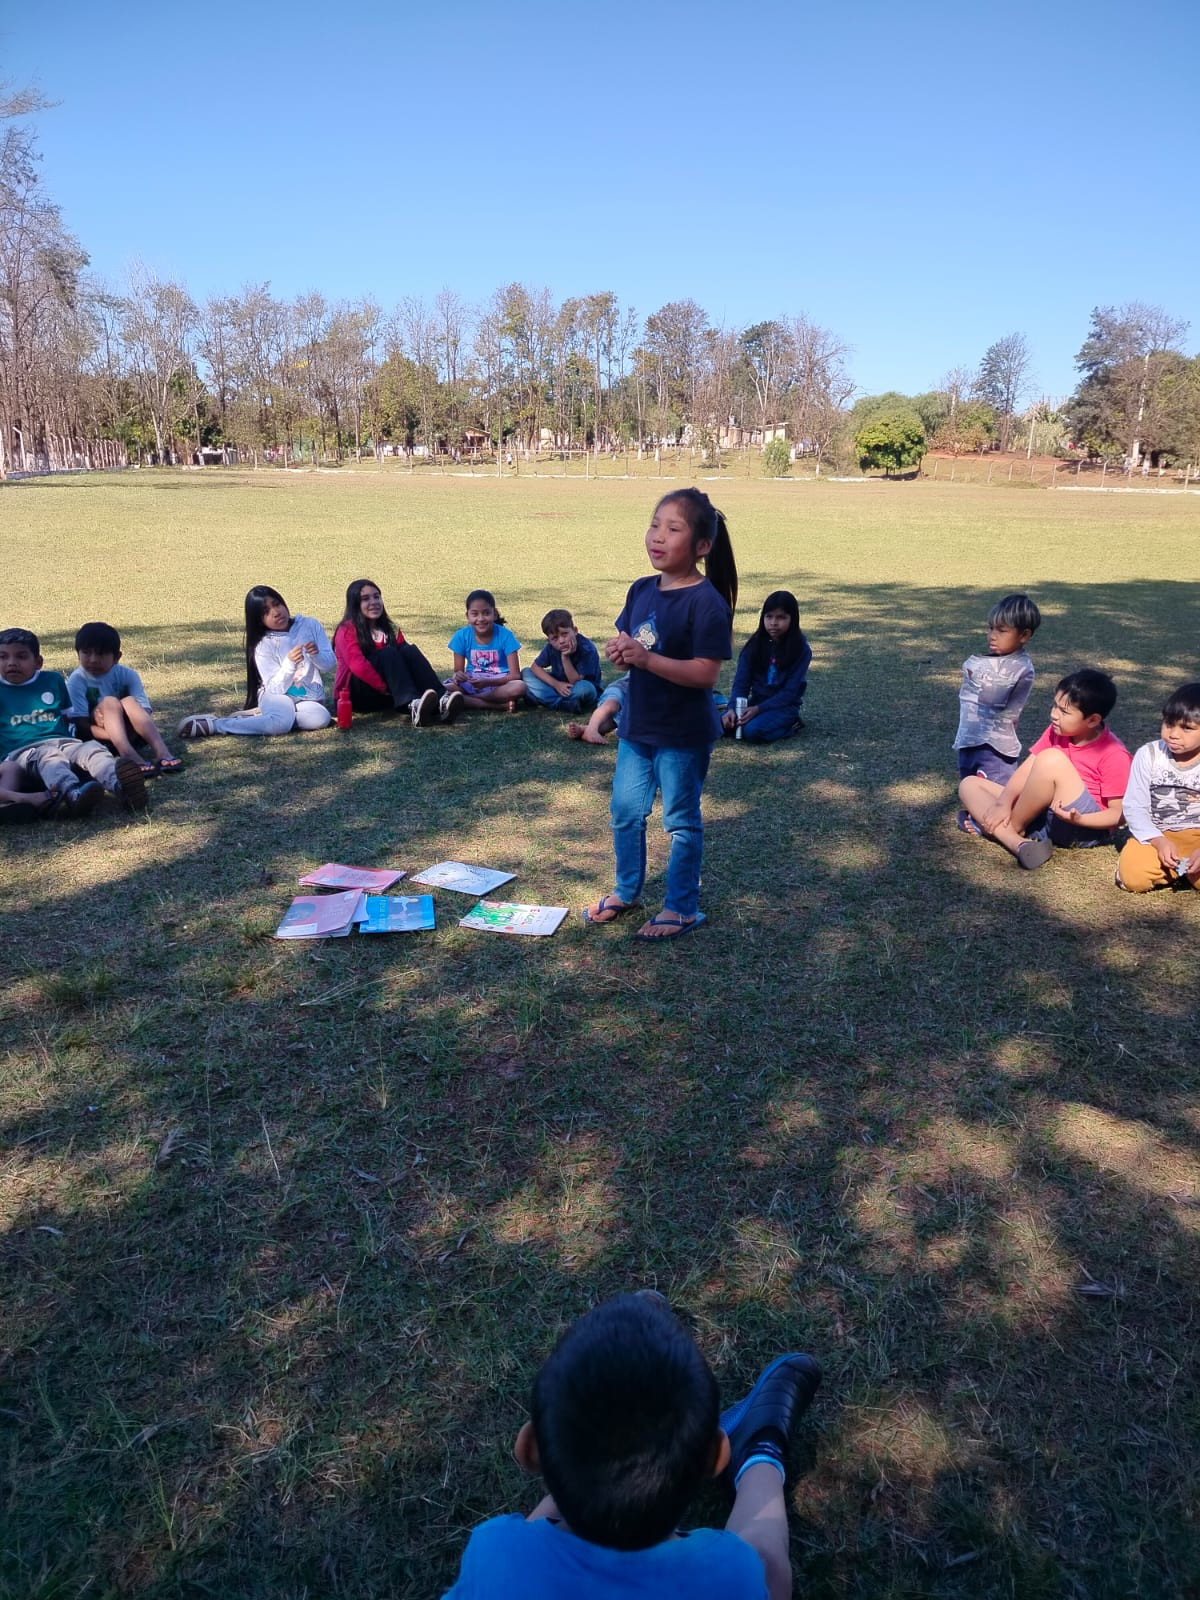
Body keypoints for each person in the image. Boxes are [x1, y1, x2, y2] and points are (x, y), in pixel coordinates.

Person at [440, 1290, 821, 1600]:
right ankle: (760, 1452)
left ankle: (579, 1475)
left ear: (529, 1450)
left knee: (529, 1550)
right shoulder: (730, 1575)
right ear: (713, 1457)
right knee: (766, 1565)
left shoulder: (494, 1553)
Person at [584, 488, 736, 940]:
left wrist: (646, 660)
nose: (658, 537)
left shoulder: (706, 602)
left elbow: (705, 674)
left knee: (681, 822)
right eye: (654, 524)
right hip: (638, 726)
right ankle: (627, 890)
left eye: (673, 529)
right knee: (625, 813)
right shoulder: (641, 589)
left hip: (683, 734)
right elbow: (631, 641)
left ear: (702, 546)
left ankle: (682, 907)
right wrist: (621, 651)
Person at [958, 668, 1131, 870]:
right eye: (1055, 706)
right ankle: (1019, 844)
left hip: (1082, 827)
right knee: (969, 784)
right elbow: (1027, 768)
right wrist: (1003, 803)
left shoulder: (1114, 754)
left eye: (1064, 711)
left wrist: (1081, 819)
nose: (1054, 715)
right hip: (1047, 814)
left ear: (1093, 720)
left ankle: (1003, 826)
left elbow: (1119, 815)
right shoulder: (1058, 731)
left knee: (1051, 759)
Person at [0, 627, 148, 815]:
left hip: (64, 742)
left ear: (38, 662)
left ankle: (123, 786)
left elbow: (66, 717)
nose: (11, 663)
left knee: (92, 749)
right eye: (3, 657)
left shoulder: (52, 680)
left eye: (21, 656)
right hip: (23, 753)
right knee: (49, 756)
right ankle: (72, 793)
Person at [178, 587, 337, 739]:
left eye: (276, 604)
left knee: (321, 718)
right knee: (281, 724)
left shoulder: (310, 625)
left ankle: (266, 718)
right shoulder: (263, 644)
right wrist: (289, 663)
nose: (276, 612)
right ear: (259, 620)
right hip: (275, 695)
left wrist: (315, 655)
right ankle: (217, 725)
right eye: (266, 612)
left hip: (306, 698)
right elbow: (275, 688)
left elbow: (329, 665)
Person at [953, 593, 1041, 833]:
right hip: (971, 736)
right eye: (991, 628)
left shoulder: (1020, 666)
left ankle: (996, 824)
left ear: (1024, 635)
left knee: (996, 788)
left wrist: (973, 672)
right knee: (969, 781)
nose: (992, 636)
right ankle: (977, 814)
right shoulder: (995, 660)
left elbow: (991, 696)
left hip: (996, 746)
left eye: (1002, 631)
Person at [333, 579, 463, 727]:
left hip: (387, 695)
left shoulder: (390, 628)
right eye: (365, 599)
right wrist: (386, 688)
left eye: (377, 597)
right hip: (355, 695)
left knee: (409, 651)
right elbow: (358, 666)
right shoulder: (347, 629)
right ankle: (412, 704)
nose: (374, 602)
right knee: (388, 653)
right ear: (355, 604)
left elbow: (408, 661)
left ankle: (442, 699)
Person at [1115, 681, 1200, 892]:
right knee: (1133, 878)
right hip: (1157, 833)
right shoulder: (1149, 755)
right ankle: (1178, 869)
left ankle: (1185, 869)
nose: (1174, 734)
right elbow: (1135, 806)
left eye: (1187, 728)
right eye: (1169, 723)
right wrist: (1159, 841)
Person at [67, 621, 182, 775]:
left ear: (117, 657)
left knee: (129, 701)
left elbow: (144, 710)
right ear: (78, 653)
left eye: (101, 654)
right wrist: (116, 737)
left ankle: (162, 753)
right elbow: (81, 725)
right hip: (96, 737)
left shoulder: (127, 675)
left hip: (131, 733)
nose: (93, 659)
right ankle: (128, 753)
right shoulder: (77, 680)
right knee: (109, 702)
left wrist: (127, 732)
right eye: (87, 652)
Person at [720, 590, 811, 743]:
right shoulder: (754, 645)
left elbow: (790, 692)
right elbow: (741, 682)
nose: (773, 623)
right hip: (756, 702)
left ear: (792, 619)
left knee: (752, 732)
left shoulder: (801, 650)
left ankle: (792, 724)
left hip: (783, 707)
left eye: (781, 617)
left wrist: (758, 710)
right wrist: (732, 708)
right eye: (769, 617)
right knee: (718, 723)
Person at [448, 589, 525, 711]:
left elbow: (515, 675)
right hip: (472, 682)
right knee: (446, 688)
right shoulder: (461, 636)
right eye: (475, 614)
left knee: (520, 687)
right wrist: (459, 676)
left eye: (486, 613)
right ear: (467, 616)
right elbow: (458, 671)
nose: (481, 619)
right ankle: (495, 705)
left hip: (499, 683)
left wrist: (488, 682)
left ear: (494, 614)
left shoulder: (506, 636)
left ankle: (473, 699)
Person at [521, 609, 602, 713]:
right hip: (558, 685)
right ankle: (561, 703)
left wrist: (565, 658)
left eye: (565, 634)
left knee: (584, 689)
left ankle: (543, 698)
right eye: (554, 638)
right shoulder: (551, 647)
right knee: (526, 673)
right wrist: (556, 684)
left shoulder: (587, 649)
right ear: (549, 641)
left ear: (575, 630)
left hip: (579, 687)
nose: (561, 641)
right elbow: (535, 667)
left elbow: (575, 681)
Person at [567, 674, 629, 744]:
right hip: (621, 688)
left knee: (616, 721)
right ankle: (592, 729)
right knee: (612, 704)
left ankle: (584, 729)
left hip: (635, 702)